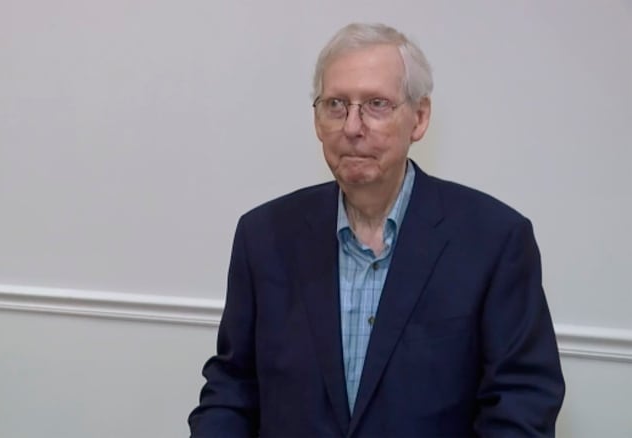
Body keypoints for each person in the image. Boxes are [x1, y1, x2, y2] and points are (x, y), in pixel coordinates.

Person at [188, 23, 565, 437]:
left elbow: (521, 405)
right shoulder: (263, 236)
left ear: (419, 119)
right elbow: (232, 390)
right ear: (317, 120)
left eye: (376, 104)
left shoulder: (494, 241)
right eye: (336, 104)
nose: (352, 126)